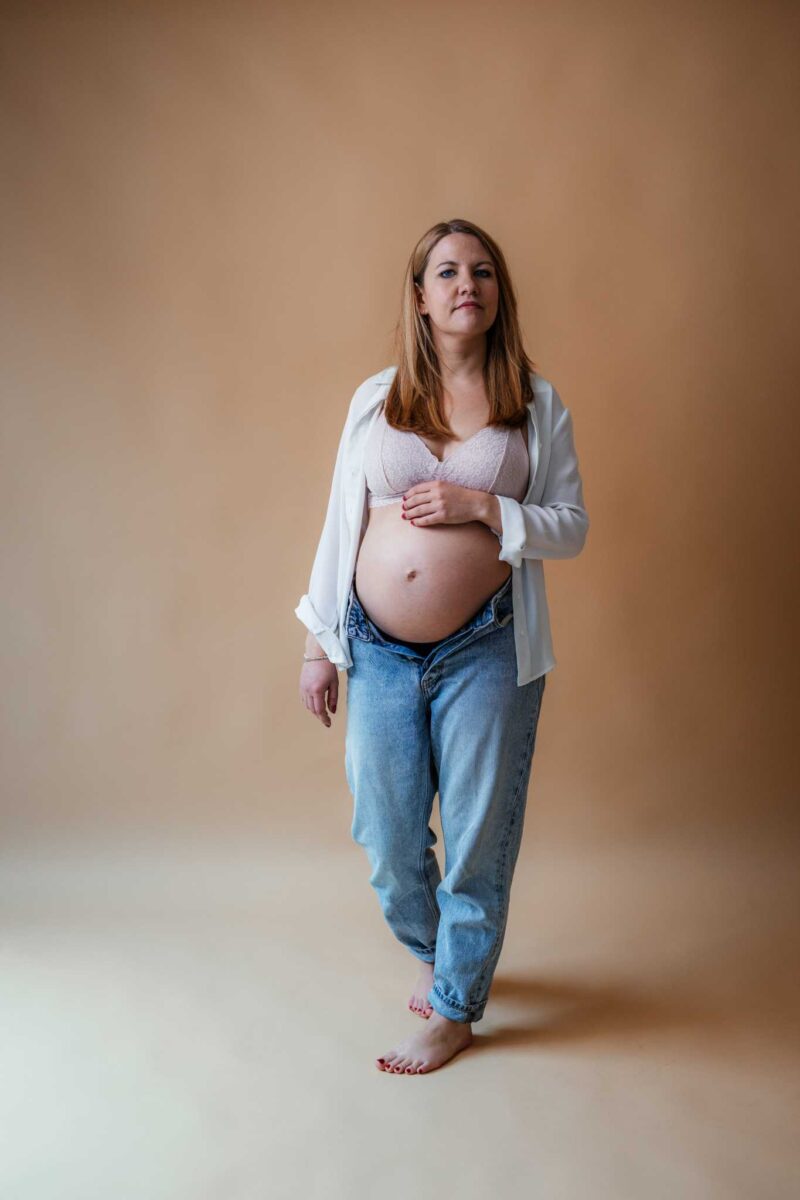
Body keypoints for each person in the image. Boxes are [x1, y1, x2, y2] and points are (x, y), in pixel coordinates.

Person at [296, 218, 589, 1075]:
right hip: (378, 647)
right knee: (387, 834)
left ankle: (457, 1005)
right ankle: (441, 957)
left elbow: (569, 528)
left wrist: (486, 510)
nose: (469, 284)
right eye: (448, 271)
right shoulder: (376, 398)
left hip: (487, 649)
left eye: (484, 271)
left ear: (500, 295)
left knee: (478, 834)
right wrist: (320, 639)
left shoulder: (536, 405)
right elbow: (339, 521)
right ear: (421, 298)